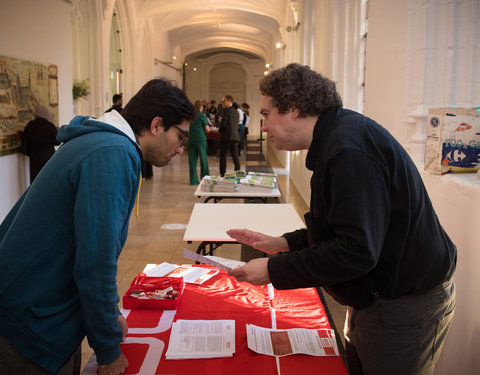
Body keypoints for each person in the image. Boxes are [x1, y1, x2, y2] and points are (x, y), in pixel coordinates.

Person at [228, 63, 456, 375]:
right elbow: (341, 225)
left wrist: (272, 269)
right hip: (377, 297)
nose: (263, 126)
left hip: (402, 302)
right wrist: (283, 243)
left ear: (293, 109)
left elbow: (356, 250)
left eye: (266, 114)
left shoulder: (348, 149)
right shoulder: (338, 136)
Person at [0, 78, 196, 375]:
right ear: (157, 125)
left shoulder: (104, 143)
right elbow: (95, 262)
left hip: (38, 312)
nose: (181, 149)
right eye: (180, 138)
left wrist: (110, 312)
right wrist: (107, 348)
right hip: (30, 325)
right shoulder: (112, 154)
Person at [22, 104, 60, 183]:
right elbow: (57, 141)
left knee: (35, 181)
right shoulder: (49, 126)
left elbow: (25, 141)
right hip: (48, 157)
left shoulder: (30, 126)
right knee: (48, 180)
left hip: (34, 158)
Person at [188, 100, 210, 185]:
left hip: (191, 138)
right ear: (201, 107)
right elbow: (207, 130)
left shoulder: (190, 116)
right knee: (203, 158)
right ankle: (205, 178)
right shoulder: (201, 116)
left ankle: (193, 180)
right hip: (200, 138)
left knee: (192, 160)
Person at [218, 95, 240, 176]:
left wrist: (219, 129)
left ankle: (222, 173)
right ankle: (238, 172)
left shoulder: (226, 111)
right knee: (235, 156)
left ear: (228, 101)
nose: (222, 103)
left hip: (226, 137)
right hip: (235, 136)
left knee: (223, 156)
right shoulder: (236, 111)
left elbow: (224, 124)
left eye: (223, 101)